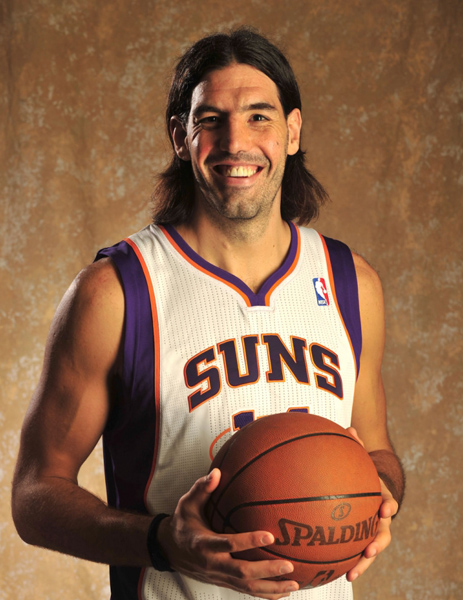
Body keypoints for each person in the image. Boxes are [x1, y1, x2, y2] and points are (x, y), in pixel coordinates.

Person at [12, 27, 405, 600]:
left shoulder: (352, 283)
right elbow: (34, 496)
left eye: (259, 117)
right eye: (211, 120)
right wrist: (162, 542)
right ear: (181, 137)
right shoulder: (118, 291)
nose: (235, 142)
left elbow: (377, 452)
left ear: (293, 131)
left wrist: (380, 497)